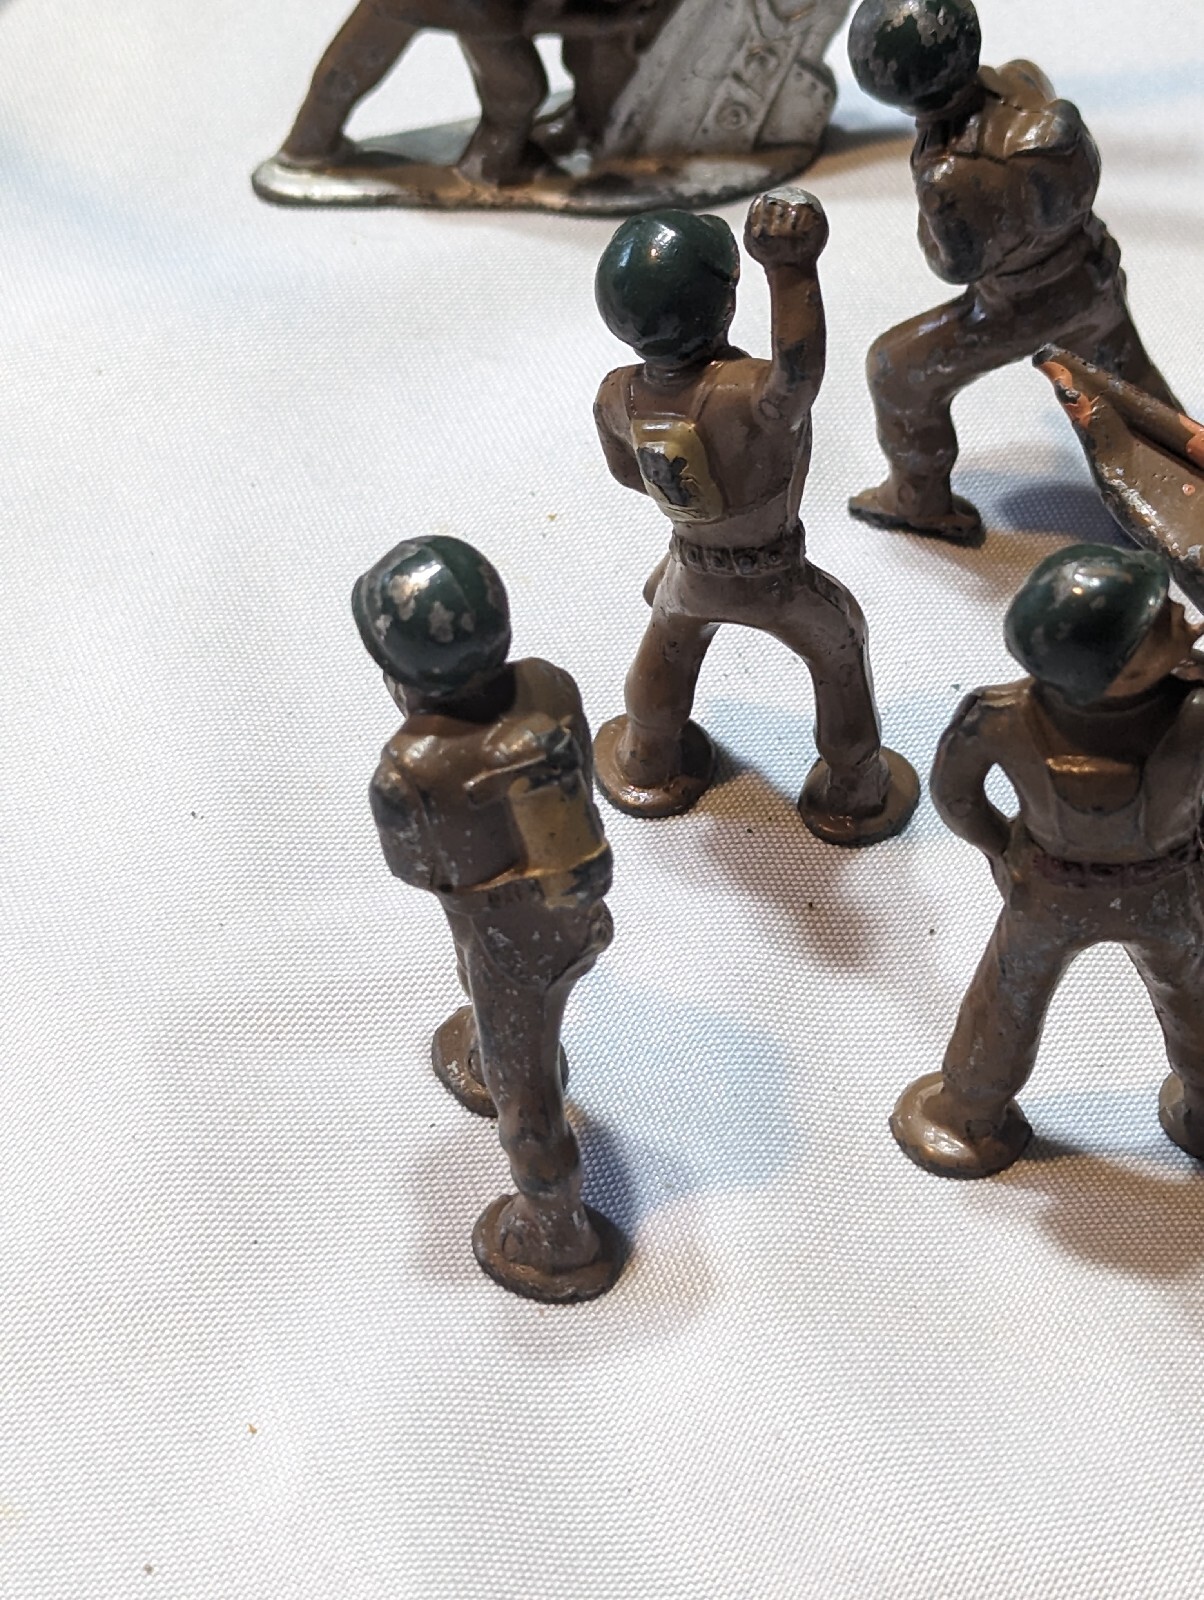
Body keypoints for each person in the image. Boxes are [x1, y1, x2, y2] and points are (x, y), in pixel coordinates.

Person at [591, 187, 919, 845]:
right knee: (840, 641)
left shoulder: (617, 395)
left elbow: (630, 476)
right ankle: (855, 784)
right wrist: (791, 269)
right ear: (724, 303)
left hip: (691, 568)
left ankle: (648, 757)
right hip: (775, 575)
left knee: (669, 642)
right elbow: (797, 376)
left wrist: (699, 523)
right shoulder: (745, 396)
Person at [353, 535, 622, 1301]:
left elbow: (416, 869)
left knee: (524, 1091)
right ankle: (481, 1048)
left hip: (509, 947)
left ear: (398, 673)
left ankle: (556, 1233)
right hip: (576, 912)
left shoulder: (406, 770)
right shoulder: (550, 685)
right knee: (492, 1000)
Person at [892, 544, 1204, 1177]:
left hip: (1048, 891)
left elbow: (955, 795)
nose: (1184, 616)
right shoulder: (1197, 713)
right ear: (1120, 673)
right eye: (1159, 622)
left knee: (1009, 995)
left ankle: (968, 1113)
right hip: (1169, 889)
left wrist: (1002, 848)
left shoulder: (1001, 716)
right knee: (1196, 993)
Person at [845, 0, 1180, 543]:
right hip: (1092, 270)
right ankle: (1185, 476)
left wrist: (930, 219)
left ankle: (918, 498)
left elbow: (956, 265)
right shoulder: (1023, 80)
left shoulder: (945, 173)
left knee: (896, 371)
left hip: (1019, 305)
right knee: (1134, 385)